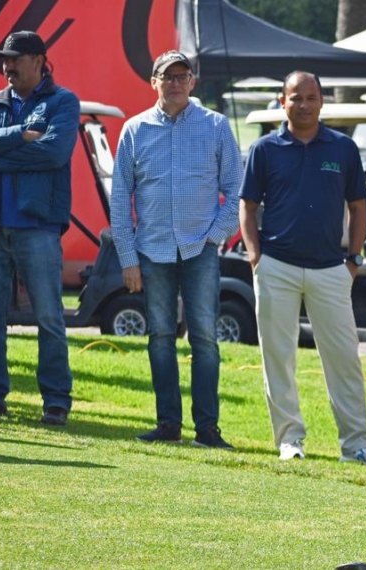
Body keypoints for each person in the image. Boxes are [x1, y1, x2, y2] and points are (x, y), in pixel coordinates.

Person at [239, 71, 366, 466]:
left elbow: (359, 207)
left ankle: (356, 446)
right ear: (282, 101)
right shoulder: (264, 149)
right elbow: (247, 206)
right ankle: (290, 440)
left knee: (344, 360)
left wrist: (354, 259)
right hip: (276, 266)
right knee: (279, 358)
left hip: (330, 270)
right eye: (295, 97)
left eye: (310, 97)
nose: (303, 104)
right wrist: (256, 257)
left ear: (321, 101)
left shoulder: (343, 148)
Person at [110, 50, 241, 449]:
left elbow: (236, 191)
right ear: (154, 82)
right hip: (152, 251)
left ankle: (208, 430)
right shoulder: (134, 130)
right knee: (160, 337)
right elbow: (120, 199)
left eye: (183, 76)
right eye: (168, 76)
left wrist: (214, 237)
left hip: (199, 249)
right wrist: (129, 259)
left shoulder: (216, 126)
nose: (175, 83)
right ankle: (168, 424)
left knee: (204, 338)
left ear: (193, 83)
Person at [0, 31, 79, 425]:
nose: (6, 67)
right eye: (3, 60)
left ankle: (56, 401)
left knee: (49, 317)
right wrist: (17, 137)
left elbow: (55, 152)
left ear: (39, 60)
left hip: (38, 227)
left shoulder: (64, 101)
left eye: (14, 59)